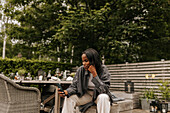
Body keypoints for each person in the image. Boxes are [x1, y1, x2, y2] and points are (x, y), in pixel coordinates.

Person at [58, 48, 113, 113]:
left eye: (86, 61)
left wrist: (95, 74)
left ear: (93, 60)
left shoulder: (103, 70)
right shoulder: (81, 70)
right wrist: (67, 92)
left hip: (98, 94)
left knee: (103, 97)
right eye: (83, 61)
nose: (84, 63)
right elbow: (74, 85)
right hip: (86, 94)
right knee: (69, 98)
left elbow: (104, 90)